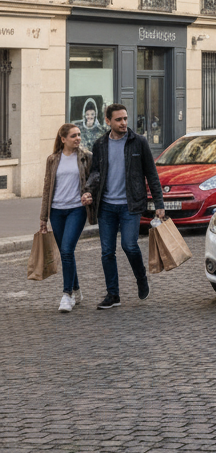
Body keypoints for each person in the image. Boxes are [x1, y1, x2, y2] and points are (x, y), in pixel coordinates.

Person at [84, 104, 166, 309]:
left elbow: (152, 174)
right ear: (108, 121)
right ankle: (113, 294)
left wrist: (159, 203)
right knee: (107, 252)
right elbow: (95, 173)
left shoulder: (139, 142)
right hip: (106, 206)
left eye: (125, 119)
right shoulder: (100, 144)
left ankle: (141, 278)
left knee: (129, 245)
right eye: (118, 119)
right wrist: (88, 190)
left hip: (131, 204)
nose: (123, 123)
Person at [39, 123, 95, 313]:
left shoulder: (86, 157)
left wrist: (89, 194)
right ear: (63, 139)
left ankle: (67, 295)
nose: (77, 138)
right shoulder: (53, 159)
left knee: (66, 249)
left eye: (79, 135)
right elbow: (47, 188)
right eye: (73, 136)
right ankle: (77, 290)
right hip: (56, 211)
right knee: (66, 253)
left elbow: (93, 180)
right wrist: (43, 218)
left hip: (76, 210)